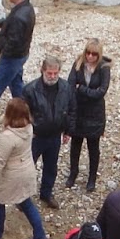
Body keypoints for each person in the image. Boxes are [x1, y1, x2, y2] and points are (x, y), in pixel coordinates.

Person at [0, 98, 48, 239]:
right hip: (27, 169)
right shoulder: (29, 128)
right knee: (25, 201)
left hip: (12, 175)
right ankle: (40, 235)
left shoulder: (7, 137)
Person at [23, 55, 73, 209]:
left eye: (55, 73)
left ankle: (46, 193)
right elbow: (24, 113)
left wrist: (68, 131)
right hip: (36, 137)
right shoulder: (30, 89)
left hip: (54, 136)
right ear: (42, 71)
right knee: (27, 167)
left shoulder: (65, 88)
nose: (52, 77)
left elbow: (71, 109)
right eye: (49, 73)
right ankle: (23, 197)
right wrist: (30, 130)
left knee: (51, 167)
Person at [66, 39, 110, 193]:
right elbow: (70, 85)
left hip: (95, 114)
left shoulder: (104, 67)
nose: (90, 56)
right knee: (75, 145)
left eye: (94, 54)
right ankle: (73, 173)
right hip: (79, 110)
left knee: (93, 147)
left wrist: (82, 89)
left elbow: (101, 92)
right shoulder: (78, 63)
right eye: (88, 53)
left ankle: (92, 178)